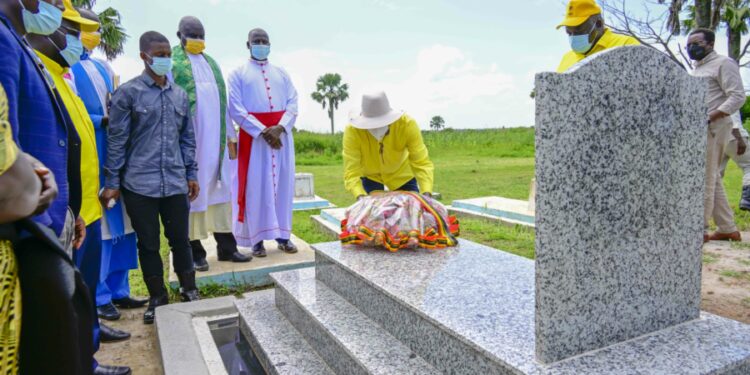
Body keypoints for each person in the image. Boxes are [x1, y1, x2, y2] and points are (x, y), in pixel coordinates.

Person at [26, 3, 132, 374]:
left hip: (84, 205)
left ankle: (87, 358)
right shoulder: (40, 72)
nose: (70, 38)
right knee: (68, 295)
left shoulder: (64, 74)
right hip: (61, 210)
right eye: (67, 29)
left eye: (74, 30)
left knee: (80, 291)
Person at [0, 1, 98, 373]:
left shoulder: (20, 43)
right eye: (55, 2)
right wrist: (32, 181)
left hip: (49, 215)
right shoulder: (4, 41)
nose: (56, 6)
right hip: (25, 226)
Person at [102, 31, 201, 325]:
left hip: (174, 182)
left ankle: (189, 289)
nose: (165, 60)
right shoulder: (128, 94)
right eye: (159, 55)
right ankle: (157, 296)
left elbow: (187, 139)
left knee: (180, 240)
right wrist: (112, 183)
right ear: (144, 56)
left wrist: (191, 173)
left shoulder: (179, 95)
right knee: (147, 243)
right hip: (139, 184)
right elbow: (117, 141)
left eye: (168, 54)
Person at [71, 7, 146, 324]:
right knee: (100, 226)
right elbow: (69, 112)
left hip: (116, 156)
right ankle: (99, 295)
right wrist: (101, 119)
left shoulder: (103, 66)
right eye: (88, 27)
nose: (94, 34)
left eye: (97, 29)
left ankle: (119, 289)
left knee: (123, 225)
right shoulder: (67, 68)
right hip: (92, 152)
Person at [172, 16, 249, 271]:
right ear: (179, 35)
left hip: (216, 146)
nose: (197, 40)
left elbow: (222, 104)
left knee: (221, 192)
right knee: (194, 197)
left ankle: (227, 248)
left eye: (200, 35)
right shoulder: (173, 64)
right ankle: (196, 252)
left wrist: (231, 137)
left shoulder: (212, 64)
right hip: (191, 146)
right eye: (191, 35)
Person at [228, 28, 299, 257]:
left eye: (264, 41)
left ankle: (283, 237)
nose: (261, 44)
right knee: (255, 188)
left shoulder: (281, 73)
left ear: (270, 44)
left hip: (282, 138)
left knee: (283, 188)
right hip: (255, 140)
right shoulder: (238, 74)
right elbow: (235, 108)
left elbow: (293, 102)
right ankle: (256, 240)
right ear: (247, 44)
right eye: (256, 41)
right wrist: (262, 131)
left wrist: (280, 128)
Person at [688, 28, 747, 242]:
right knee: (713, 175)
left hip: (715, 126)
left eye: (697, 43)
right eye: (689, 44)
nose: (691, 48)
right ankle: (727, 227)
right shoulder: (698, 68)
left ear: (711, 44)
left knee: (705, 177)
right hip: (700, 127)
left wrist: (711, 116)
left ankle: (700, 229)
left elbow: (738, 97)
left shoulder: (724, 63)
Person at [343, 91, 435, 199]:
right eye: (371, 124)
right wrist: (360, 196)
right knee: (375, 214)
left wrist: (426, 193)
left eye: (381, 123)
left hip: (402, 176)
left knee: (411, 212)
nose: (376, 127)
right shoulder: (353, 131)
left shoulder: (407, 124)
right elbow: (351, 171)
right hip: (371, 178)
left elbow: (421, 162)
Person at [556, 0, 639, 73]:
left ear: (599, 24)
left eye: (579, 30)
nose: (574, 37)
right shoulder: (566, 59)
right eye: (569, 32)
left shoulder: (626, 45)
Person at [722, 112, 750, 211]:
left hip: (716, 137)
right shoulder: (731, 96)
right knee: (748, 166)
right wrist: (739, 139)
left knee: (715, 175)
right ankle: (747, 199)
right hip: (733, 135)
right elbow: (732, 118)